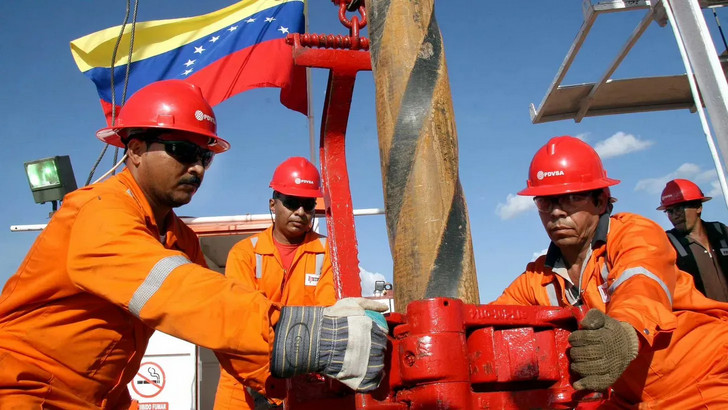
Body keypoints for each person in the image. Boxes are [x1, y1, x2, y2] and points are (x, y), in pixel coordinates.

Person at [0, 80, 387, 409]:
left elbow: (217, 322)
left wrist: (283, 379)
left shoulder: (178, 237)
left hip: (104, 398)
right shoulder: (98, 210)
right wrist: (298, 334)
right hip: (25, 390)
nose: (198, 167)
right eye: (183, 151)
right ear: (135, 149)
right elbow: (176, 291)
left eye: (204, 156)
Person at [493, 136, 728, 407]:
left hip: (708, 379)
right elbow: (491, 321)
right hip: (632, 400)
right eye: (545, 202)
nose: (556, 212)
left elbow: (641, 284)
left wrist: (623, 334)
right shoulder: (538, 278)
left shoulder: (634, 234)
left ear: (601, 201)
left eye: (571, 198)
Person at [214, 157, 336, 409]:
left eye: (308, 205)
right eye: (291, 202)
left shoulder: (328, 252)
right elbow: (244, 322)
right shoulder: (245, 253)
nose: (300, 212)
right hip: (243, 387)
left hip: (305, 382)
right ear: (273, 204)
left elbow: (328, 316)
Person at [658, 178, 728, 302]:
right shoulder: (667, 243)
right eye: (669, 211)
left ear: (698, 207)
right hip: (704, 314)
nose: (675, 215)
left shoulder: (721, 232)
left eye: (679, 208)